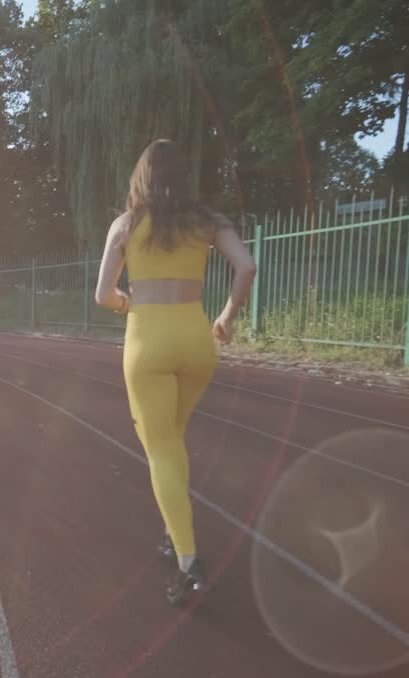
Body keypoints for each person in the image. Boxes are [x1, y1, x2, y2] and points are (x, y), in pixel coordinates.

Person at [94, 139, 256, 606]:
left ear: (141, 178)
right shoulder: (208, 221)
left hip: (148, 341)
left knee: (160, 446)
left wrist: (128, 304)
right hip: (196, 338)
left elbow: (103, 295)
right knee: (175, 437)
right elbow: (246, 267)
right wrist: (226, 317)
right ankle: (171, 531)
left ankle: (188, 563)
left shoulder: (125, 225)